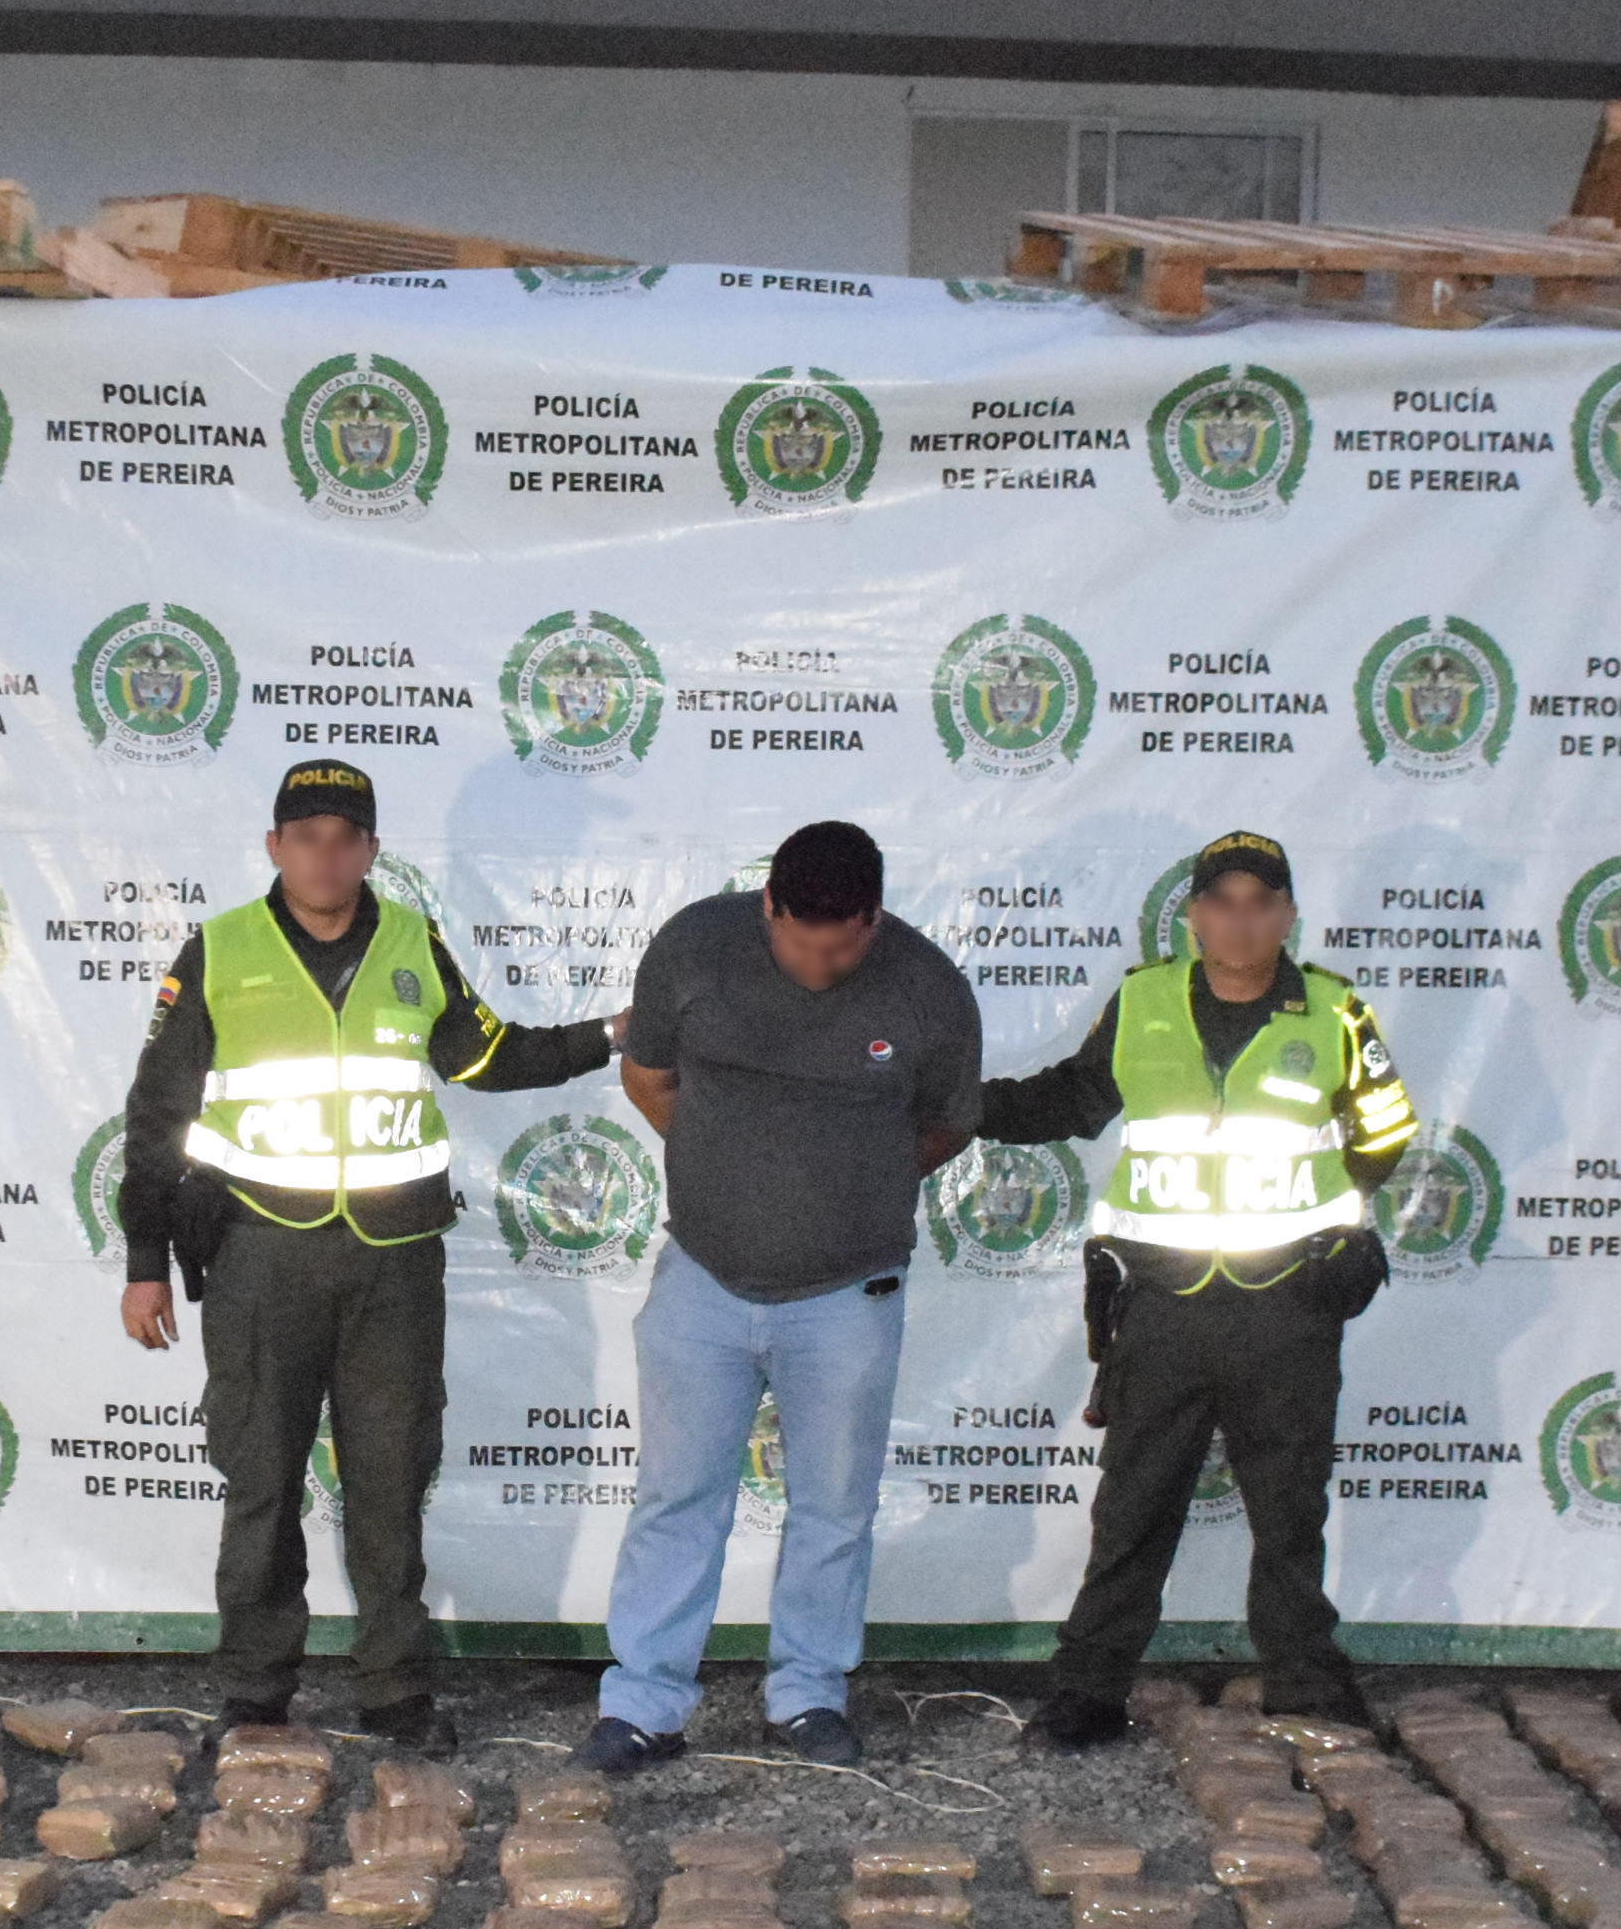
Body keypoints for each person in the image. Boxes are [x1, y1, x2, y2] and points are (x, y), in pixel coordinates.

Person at [116, 758, 617, 1749]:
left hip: (393, 1262)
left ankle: (396, 1693)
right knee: (260, 1480)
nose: (325, 856)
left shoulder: (409, 941)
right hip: (262, 1253)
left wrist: (611, 1034)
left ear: (372, 852)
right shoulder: (219, 950)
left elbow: (486, 1056)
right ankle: (257, 1690)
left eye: (346, 837)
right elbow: (156, 1116)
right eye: (304, 837)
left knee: (389, 1481)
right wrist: (143, 1260)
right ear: (273, 848)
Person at [974, 829, 1416, 1746]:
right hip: (1165, 1307)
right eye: (1222, 901)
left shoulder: (1335, 1012)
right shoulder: (1142, 1001)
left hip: (1287, 1307)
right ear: (1193, 916)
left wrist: (1330, 1235)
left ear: (1288, 913)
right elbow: (1073, 1099)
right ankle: (1089, 1691)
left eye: (1262, 902)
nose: (1241, 921)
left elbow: (1384, 1132)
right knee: (1131, 1508)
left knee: (1291, 1510)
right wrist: (963, 1105)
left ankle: (1304, 1680)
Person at [581, 820, 981, 1772]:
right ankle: (644, 1703)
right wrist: (734, 1180)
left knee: (835, 1505)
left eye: (844, 942)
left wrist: (844, 1192)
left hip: (850, 1293)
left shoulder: (928, 990)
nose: (823, 960)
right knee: (677, 1495)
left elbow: (944, 1128)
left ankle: (809, 1694)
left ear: (873, 918)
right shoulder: (694, 949)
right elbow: (648, 1078)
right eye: (804, 939)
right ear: (769, 905)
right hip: (703, 1280)